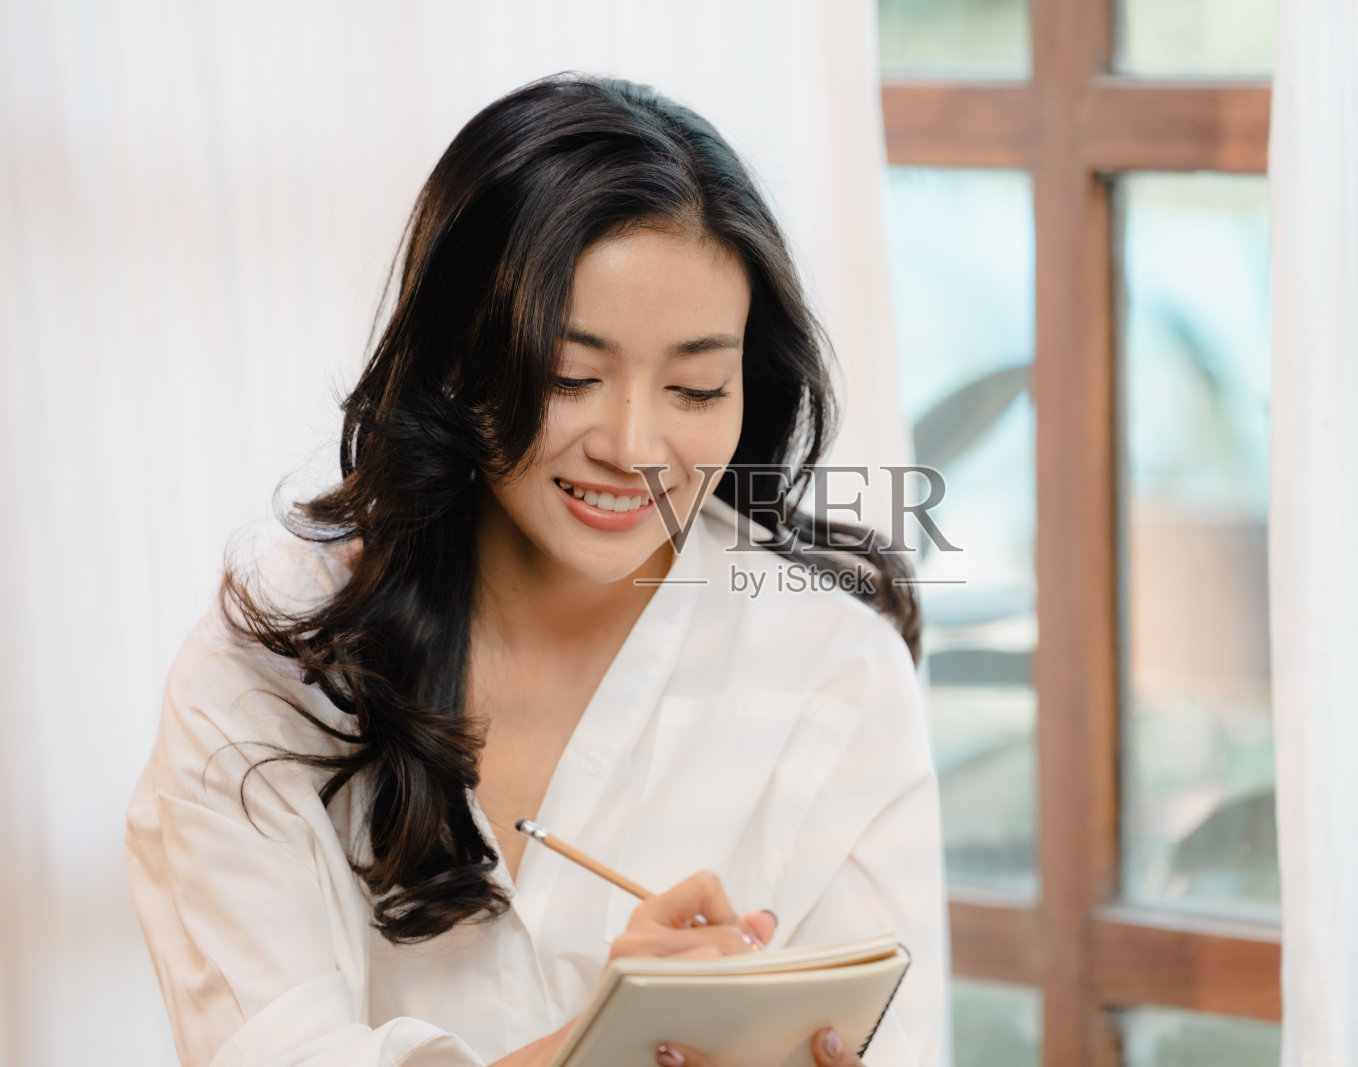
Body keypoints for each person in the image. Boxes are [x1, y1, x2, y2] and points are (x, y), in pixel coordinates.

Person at [124, 72, 949, 1067]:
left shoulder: (832, 666)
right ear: (456, 358)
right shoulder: (273, 666)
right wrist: (602, 1047)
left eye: (695, 387)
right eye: (570, 376)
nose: (635, 442)